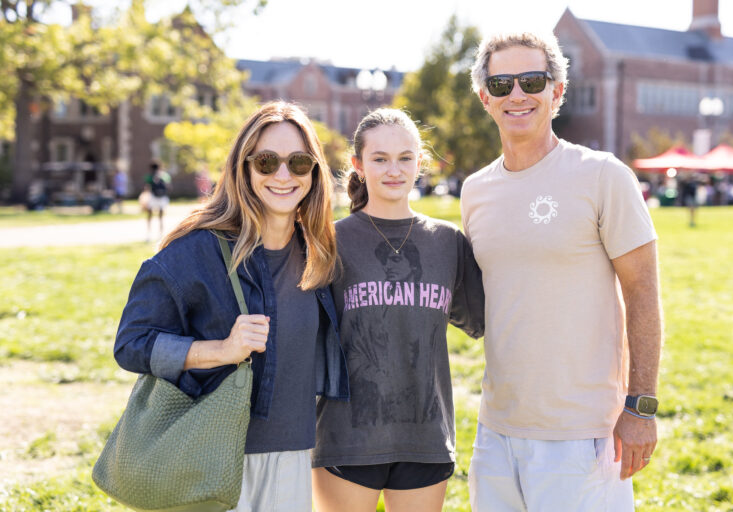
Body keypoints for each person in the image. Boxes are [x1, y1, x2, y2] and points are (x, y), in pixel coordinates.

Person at [113, 101, 349, 512]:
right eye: (266, 161)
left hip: (295, 454)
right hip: (216, 454)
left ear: (313, 171)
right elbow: (131, 343)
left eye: (298, 162)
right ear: (243, 168)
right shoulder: (198, 250)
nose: (282, 175)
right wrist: (221, 350)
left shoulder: (319, 252)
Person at [460, 31, 663, 511]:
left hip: (584, 437)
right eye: (503, 83)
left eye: (532, 80)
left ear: (558, 91)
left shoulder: (603, 175)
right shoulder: (474, 191)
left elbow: (643, 295)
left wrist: (640, 408)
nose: (517, 94)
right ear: (484, 96)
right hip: (495, 432)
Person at [312, 108, 485, 512]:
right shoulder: (331, 240)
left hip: (425, 436)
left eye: (405, 157)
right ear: (358, 165)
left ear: (420, 162)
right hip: (346, 438)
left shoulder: (448, 243)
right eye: (379, 158)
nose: (394, 170)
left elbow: (489, 319)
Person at [143, 160, 171, 240]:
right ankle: (161, 234)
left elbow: (146, 187)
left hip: (153, 197)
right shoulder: (164, 175)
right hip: (162, 197)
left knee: (150, 215)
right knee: (161, 216)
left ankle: (149, 234)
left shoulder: (149, 176)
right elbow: (169, 187)